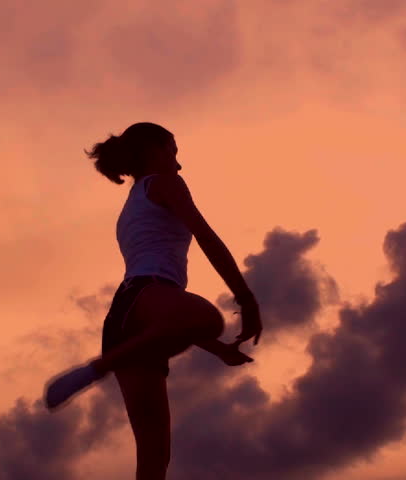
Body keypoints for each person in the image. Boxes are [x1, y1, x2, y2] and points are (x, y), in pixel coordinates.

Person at [43, 122, 262, 479]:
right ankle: (97, 368)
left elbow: (167, 324)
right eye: (172, 152)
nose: (178, 165)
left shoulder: (132, 205)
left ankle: (99, 366)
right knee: (209, 318)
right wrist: (247, 299)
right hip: (146, 294)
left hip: (127, 317)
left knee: (154, 459)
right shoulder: (164, 184)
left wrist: (217, 350)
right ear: (152, 151)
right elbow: (206, 236)